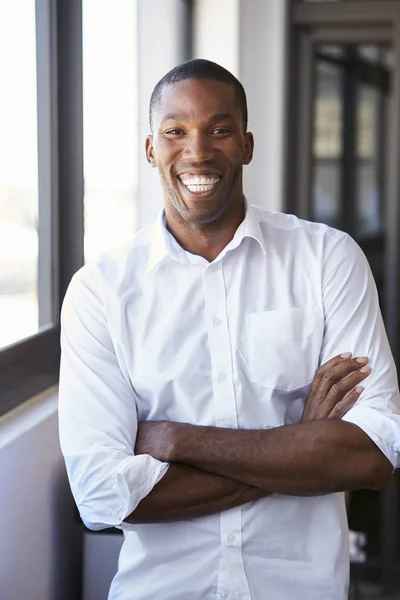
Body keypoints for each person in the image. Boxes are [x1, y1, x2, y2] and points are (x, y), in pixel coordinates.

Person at [59, 59, 400, 600]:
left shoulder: (327, 260)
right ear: (151, 150)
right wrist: (299, 446)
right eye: (176, 132)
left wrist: (177, 440)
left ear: (247, 144)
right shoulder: (100, 292)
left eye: (219, 130)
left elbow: (373, 454)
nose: (197, 151)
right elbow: (102, 496)